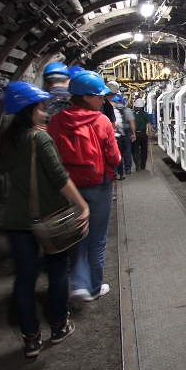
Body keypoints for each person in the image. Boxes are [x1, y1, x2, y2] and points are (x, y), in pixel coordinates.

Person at [0, 81, 89, 358]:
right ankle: (59, 326)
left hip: (16, 221)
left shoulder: (7, 140)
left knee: (24, 280)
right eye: (40, 107)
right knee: (57, 271)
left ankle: (31, 339)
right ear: (28, 110)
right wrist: (82, 204)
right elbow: (59, 178)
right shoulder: (40, 139)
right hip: (50, 215)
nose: (45, 112)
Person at [47, 71, 121, 302]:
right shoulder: (102, 121)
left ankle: (79, 283)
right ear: (86, 97)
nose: (102, 100)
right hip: (98, 185)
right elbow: (114, 157)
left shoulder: (56, 121)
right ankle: (94, 288)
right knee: (97, 238)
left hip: (68, 187)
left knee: (77, 234)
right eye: (99, 96)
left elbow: (52, 155)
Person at [131, 98, 154, 172]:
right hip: (143, 134)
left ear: (135, 106)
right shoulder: (145, 114)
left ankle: (137, 163)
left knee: (135, 150)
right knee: (144, 150)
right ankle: (143, 165)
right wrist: (150, 132)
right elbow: (149, 124)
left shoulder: (132, 114)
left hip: (135, 134)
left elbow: (131, 124)